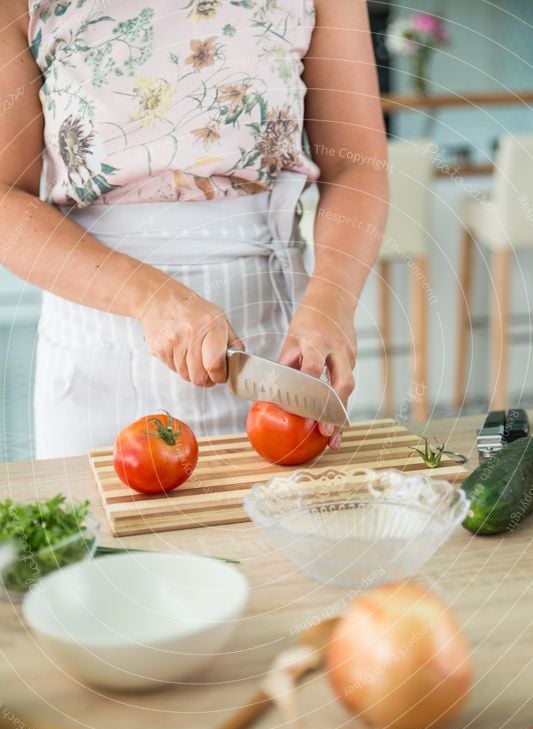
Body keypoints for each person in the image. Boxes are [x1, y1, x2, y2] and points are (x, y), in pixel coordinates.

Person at [0, 0, 388, 458]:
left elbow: (355, 166)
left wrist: (332, 303)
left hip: (272, 344)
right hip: (95, 335)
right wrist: (146, 294)